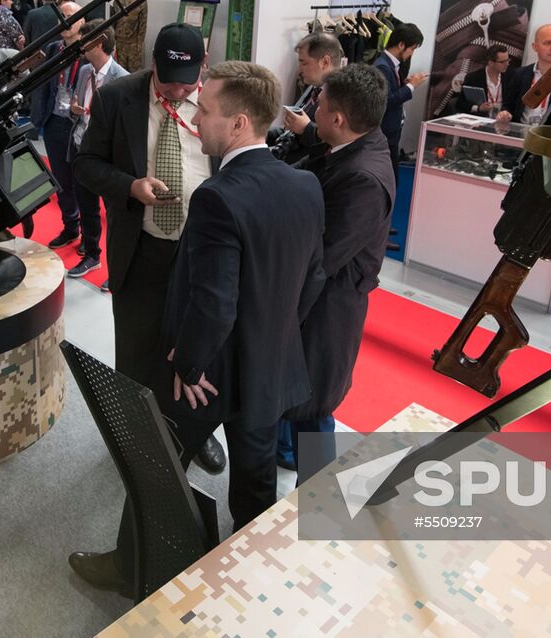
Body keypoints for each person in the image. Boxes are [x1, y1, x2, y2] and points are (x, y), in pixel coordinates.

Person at [68, 60, 325, 596]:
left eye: (205, 111)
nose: (194, 119)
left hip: (205, 376)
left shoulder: (217, 196)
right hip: (269, 365)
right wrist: (274, 334)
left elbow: (214, 301)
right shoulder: (305, 185)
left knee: (156, 469)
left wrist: (188, 364)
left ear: (238, 123)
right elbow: (312, 279)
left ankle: (130, 568)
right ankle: (249, 570)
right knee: (255, 479)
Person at [73, 23, 225, 473]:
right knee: (137, 349)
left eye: (188, 84)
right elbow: (86, 164)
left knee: (198, 346)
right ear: (153, 64)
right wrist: (129, 186)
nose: (178, 92)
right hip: (142, 248)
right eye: (169, 82)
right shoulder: (118, 97)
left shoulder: (221, 98)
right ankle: (138, 436)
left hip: (201, 252)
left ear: (203, 66)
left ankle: (194, 431)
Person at [280, 62, 395, 479]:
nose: (315, 111)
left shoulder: (364, 179)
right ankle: (284, 453)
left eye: (321, 105)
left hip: (326, 308)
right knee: (291, 394)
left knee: (313, 403)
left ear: (340, 118)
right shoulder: (358, 144)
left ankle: (316, 493)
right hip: (314, 300)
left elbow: (323, 258)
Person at [66, 21, 127, 279]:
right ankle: (92, 255)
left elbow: (124, 125)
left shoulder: (122, 79)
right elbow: (77, 108)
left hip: (108, 157)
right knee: (87, 206)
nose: (80, 45)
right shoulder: (84, 72)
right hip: (82, 149)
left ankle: (118, 268)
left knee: (114, 213)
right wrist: (74, 110)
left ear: (99, 44)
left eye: (85, 40)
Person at [29, 1, 87, 246]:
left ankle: (90, 235)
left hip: (80, 126)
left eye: (71, 16)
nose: (65, 21)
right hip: (54, 122)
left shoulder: (90, 51)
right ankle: (71, 227)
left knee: (83, 182)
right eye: (61, 16)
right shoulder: (53, 49)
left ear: (83, 21)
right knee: (61, 181)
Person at [275, 32, 344, 165]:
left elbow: (336, 142)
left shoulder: (342, 98)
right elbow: (294, 130)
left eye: (304, 63)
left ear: (325, 62)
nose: (299, 70)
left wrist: (306, 129)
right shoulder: (313, 87)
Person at [372, 21, 427, 174]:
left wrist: (405, 85)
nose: (412, 54)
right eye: (412, 49)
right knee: (389, 177)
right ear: (401, 44)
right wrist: (411, 87)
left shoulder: (390, 64)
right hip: (385, 133)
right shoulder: (383, 66)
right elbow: (386, 100)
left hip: (391, 132)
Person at [447, 42, 515, 121]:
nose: (507, 64)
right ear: (490, 62)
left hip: (502, 121)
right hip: (480, 121)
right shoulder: (473, 78)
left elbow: (511, 102)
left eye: (508, 60)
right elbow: (460, 103)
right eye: (502, 62)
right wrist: (478, 108)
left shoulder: (510, 77)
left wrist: (506, 112)